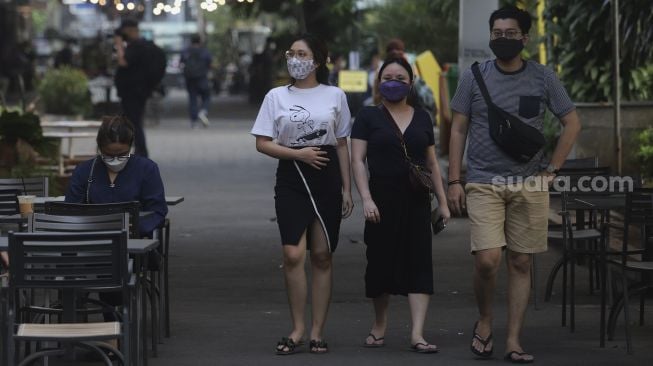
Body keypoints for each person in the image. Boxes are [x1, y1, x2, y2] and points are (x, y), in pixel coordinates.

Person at [447, 5, 581, 363]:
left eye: (510, 34)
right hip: (483, 182)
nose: (502, 39)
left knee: (521, 262)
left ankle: (514, 340)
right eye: (497, 33)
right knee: (488, 261)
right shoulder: (473, 76)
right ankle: (486, 320)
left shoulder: (543, 77)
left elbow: (572, 122)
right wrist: (454, 179)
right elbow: (458, 128)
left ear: (524, 38)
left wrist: (551, 171)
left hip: (529, 184)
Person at [251, 33, 353, 355]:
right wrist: (299, 155)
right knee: (293, 254)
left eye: (302, 53)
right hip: (292, 177)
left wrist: (347, 189)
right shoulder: (276, 97)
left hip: (327, 176)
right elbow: (263, 142)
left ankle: (317, 331)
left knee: (322, 256)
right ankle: (296, 328)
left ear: (318, 60)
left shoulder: (335, 95)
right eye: (291, 53)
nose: (295, 59)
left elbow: (341, 144)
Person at [350, 57, 450, 353]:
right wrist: (365, 198)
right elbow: (357, 159)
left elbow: (431, 162)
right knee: (379, 263)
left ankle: (418, 334)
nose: (393, 82)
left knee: (419, 263)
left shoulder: (422, 117)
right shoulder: (368, 116)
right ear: (379, 82)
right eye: (387, 76)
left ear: (411, 82)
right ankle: (379, 325)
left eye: (400, 77)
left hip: (417, 200)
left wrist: (443, 203)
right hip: (380, 201)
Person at [114, 18, 166, 157]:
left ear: (131, 31)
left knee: (134, 122)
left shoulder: (136, 46)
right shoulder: (144, 46)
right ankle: (134, 150)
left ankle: (141, 152)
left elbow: (123, 62)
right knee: (132, 121)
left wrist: (119, 45)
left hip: (132, 91)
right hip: (140, 90)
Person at [180, 33, 212, 128]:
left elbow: (181, 62)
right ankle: (203, 111)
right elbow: (210, 63)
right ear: (200, 41)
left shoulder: (186, 51)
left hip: (190, 79)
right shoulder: (204, 51)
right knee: (206, 96)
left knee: (192, 99)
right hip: (202, 78)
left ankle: (194, 121)